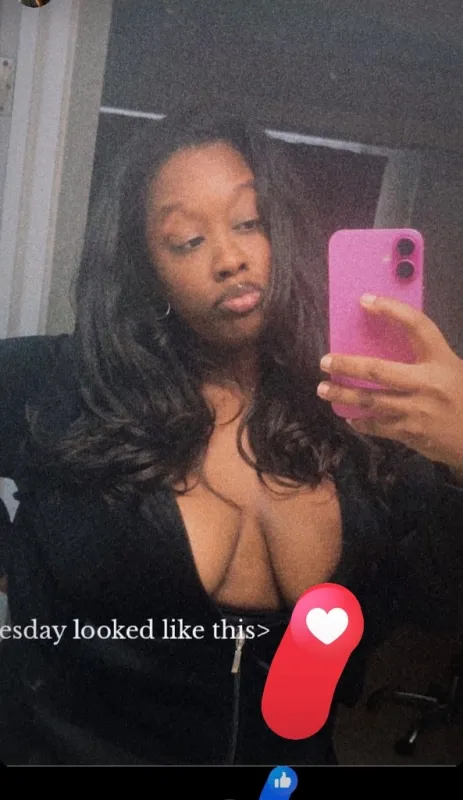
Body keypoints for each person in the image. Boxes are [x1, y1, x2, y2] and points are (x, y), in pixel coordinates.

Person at [0, 108, 462, 766]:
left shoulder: (360, 408)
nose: (231, 258)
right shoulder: (63, 385)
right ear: (145, 267)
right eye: (188, 240)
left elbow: (438, 603)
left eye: (249, 222)